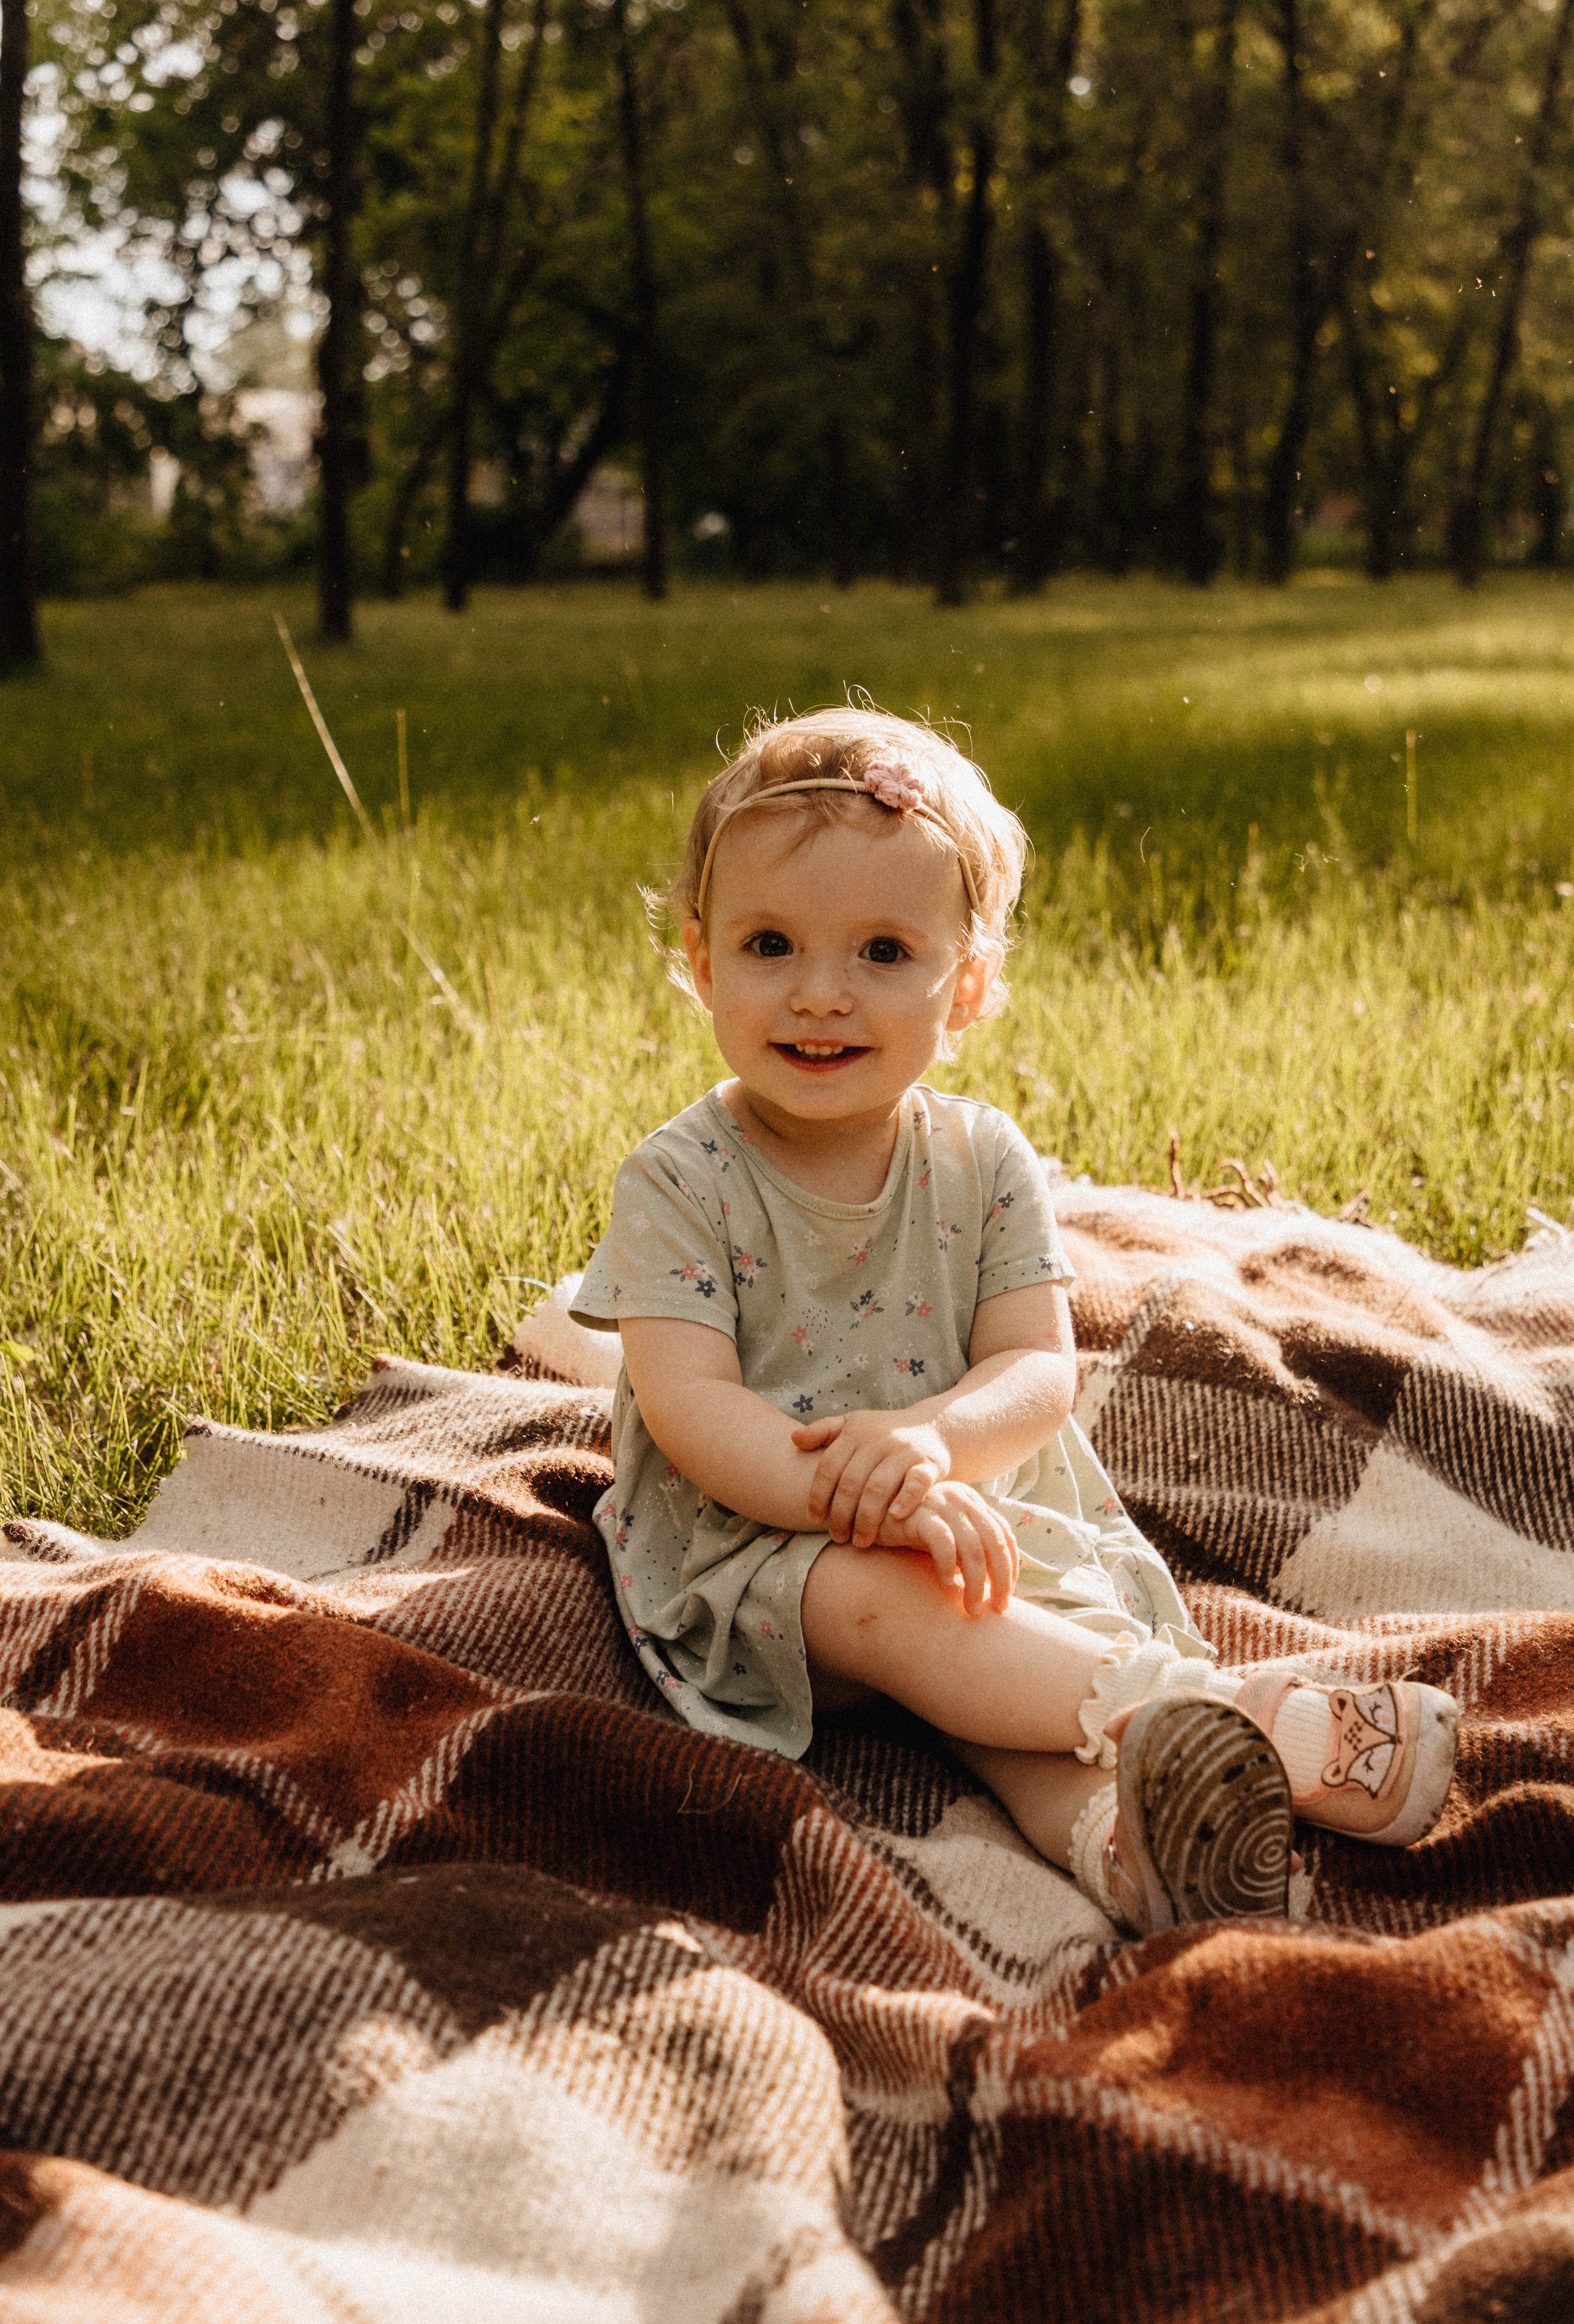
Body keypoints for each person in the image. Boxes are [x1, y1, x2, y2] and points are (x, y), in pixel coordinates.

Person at [570, 707, 1459, 1934]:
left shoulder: (982, 1158)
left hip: (974, 1502)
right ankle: (1259, 1716)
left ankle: (1134, 1848)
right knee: (902, 1606)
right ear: (701, 959)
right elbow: (691, 1411)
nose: (820, 994)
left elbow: (1033, 1370)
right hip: (763, 1555)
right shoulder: (679, 1178)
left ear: (970, 982)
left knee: (1005, 1671)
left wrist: (931, 1449)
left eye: (883, 951)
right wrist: (859, 1495)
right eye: (771, 943)